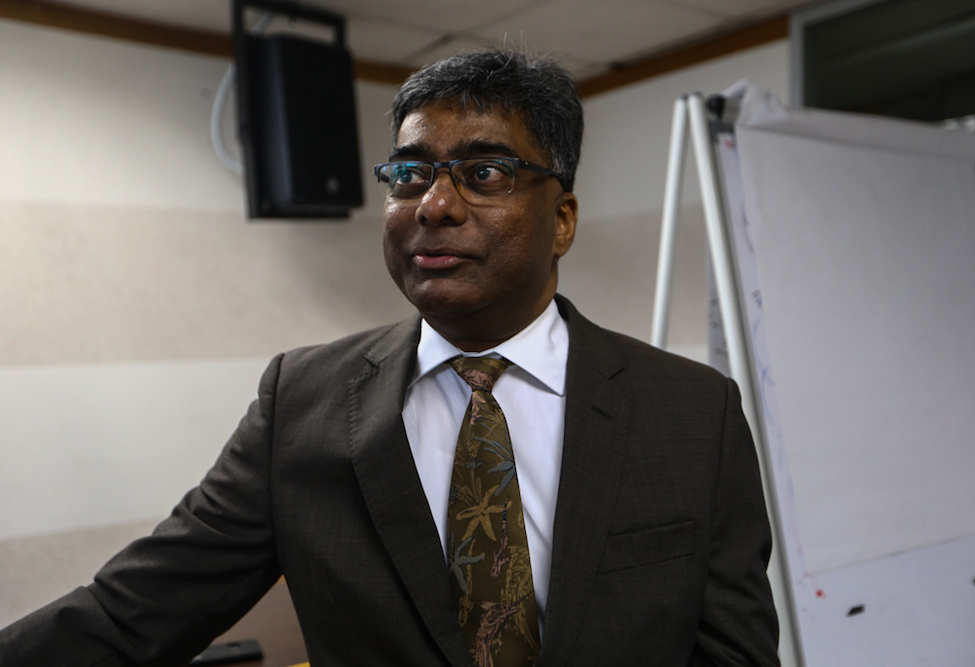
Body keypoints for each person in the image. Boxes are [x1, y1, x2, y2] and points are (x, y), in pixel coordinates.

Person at [0, 50, 779, 666]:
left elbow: (733, 652)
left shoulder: (693, 412)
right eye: (409, 174)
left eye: (483, 172)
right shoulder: (298, 402)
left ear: (563, 219)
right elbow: (128, 616)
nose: (434, 205)